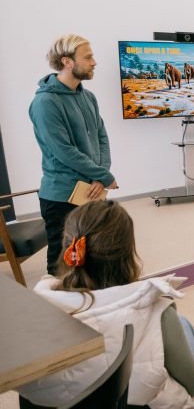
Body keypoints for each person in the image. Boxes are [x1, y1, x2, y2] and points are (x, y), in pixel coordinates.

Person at [17, 200, 194, 408]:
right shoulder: (156, 312)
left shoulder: (36, 311)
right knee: (182, 325)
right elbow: (193, 383)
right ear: (127, 253)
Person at [29, 34, 117, 275]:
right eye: (88, 57)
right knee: (63, 261)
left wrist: (100, 177)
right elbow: (63, 151)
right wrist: (104, 175)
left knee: (93, 256)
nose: (94, 62)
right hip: (62, 196)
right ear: (67, 61)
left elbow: (102, 138)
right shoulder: (45, 102)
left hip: (92, 189)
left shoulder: (88, 97)